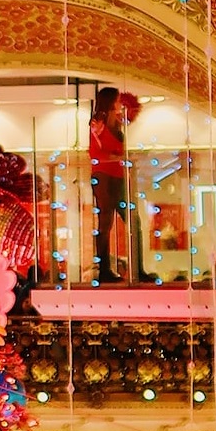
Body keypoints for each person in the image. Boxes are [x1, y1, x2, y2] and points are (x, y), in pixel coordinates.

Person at [89, 86, 134, 284]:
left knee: (131, 220)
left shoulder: (116, 122)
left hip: (116, 175)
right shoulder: (98, 122)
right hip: (104, 175)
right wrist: (117, 156)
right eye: (117, 99)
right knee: (106, 222)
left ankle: (133, 267)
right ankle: (104, 269)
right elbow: (96, 152)